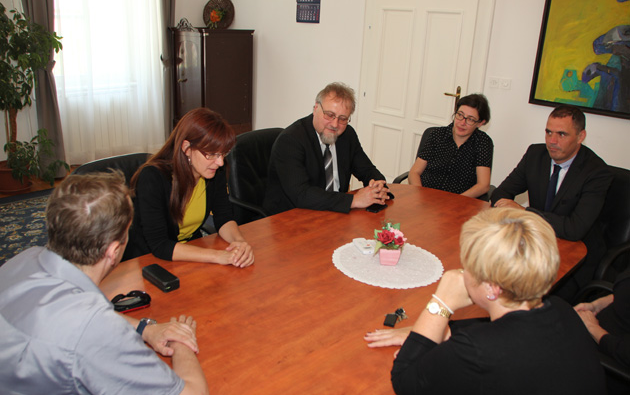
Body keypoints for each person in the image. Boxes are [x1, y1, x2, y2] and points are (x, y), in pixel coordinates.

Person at [0, 172, 208, 394]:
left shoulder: (24, 259)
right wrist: (181, 341)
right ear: (113, 251)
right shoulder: (95, 329)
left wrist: (145, 329)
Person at [365, 208, 606, 394]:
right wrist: (435, 332)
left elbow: (405, 382)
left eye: (468, 265)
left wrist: (441, 303)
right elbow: (505, 329)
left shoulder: (476, 350)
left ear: (492, 287)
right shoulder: (563, 309)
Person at [490, 104, 612, 295]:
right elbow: (500, 193)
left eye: (562, 134)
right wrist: (510, 208)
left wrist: (525, 213)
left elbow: (574, 229)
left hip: (575, 260)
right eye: (548, 132)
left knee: (525, 297)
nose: (552, 141)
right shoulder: (535, 155)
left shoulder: (597, 172)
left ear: (580, 136)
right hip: (534, 247)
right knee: (490, 280)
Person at [125, 108, 254, 267]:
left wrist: (240, 243)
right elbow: (160, 245)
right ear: (186, 148)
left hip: (191, 252)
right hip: (151, 261)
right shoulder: (153, 178)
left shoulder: (214, 171)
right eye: (211, 154)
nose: (220, 162)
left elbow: (224, 218)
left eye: (223, 153)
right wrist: (217, 256)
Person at [263, 82, 389, 215]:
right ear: (315, 108)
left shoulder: (347, 135)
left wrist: (378, 187)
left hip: (333, 213)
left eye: (343, 119)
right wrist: (353, 200)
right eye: (329, 115)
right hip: (292, 216)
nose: (335, 124)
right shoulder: (290, 140)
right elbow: (301, 194)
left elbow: (367, 170)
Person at [408, 93, 493, 199]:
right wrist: (419, 195)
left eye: (470, 119)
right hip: (426, 197)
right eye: (460, 115)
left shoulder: (483, 142)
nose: (462, 123)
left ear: (480, 123)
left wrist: (455, 201)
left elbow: (483, 185)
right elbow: (414, 172)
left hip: (461, 201)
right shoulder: (436, 135)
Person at [575, 270, 630, 394]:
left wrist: (593, 328)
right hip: (600, 326)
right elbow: (624, 294)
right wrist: (597, 305)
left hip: (608, 362)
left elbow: (625, 353)